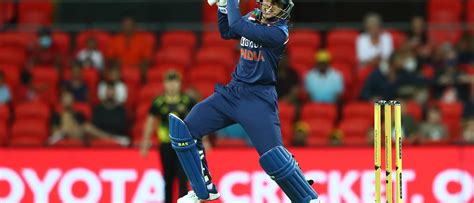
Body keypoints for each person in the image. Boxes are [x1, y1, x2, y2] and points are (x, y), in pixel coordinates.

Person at [170, 0, 319, 202]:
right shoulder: (253, 16)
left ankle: (307, 198)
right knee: (185, 130)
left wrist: (231, 1)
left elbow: (237, 26)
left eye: (276, 5)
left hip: (258, 98)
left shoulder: (279, 33)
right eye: (268, 1)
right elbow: (226, 31)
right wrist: (223, 8)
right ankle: (203, 188)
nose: (269, 7)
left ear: (284, 10)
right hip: (232, 92)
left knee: (274, 157)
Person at [140, 71, 193, 203]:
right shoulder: (159, 102)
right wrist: (145, 143)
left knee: (183, 178)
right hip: (166, 144)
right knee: (168, 178)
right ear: (164, 84)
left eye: (175, 82)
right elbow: (150, 122)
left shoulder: (187, 101)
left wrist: (204, 140)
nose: (172, 86)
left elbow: (197, 121)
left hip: (184, 146)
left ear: (180, 84)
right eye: (169, 82)